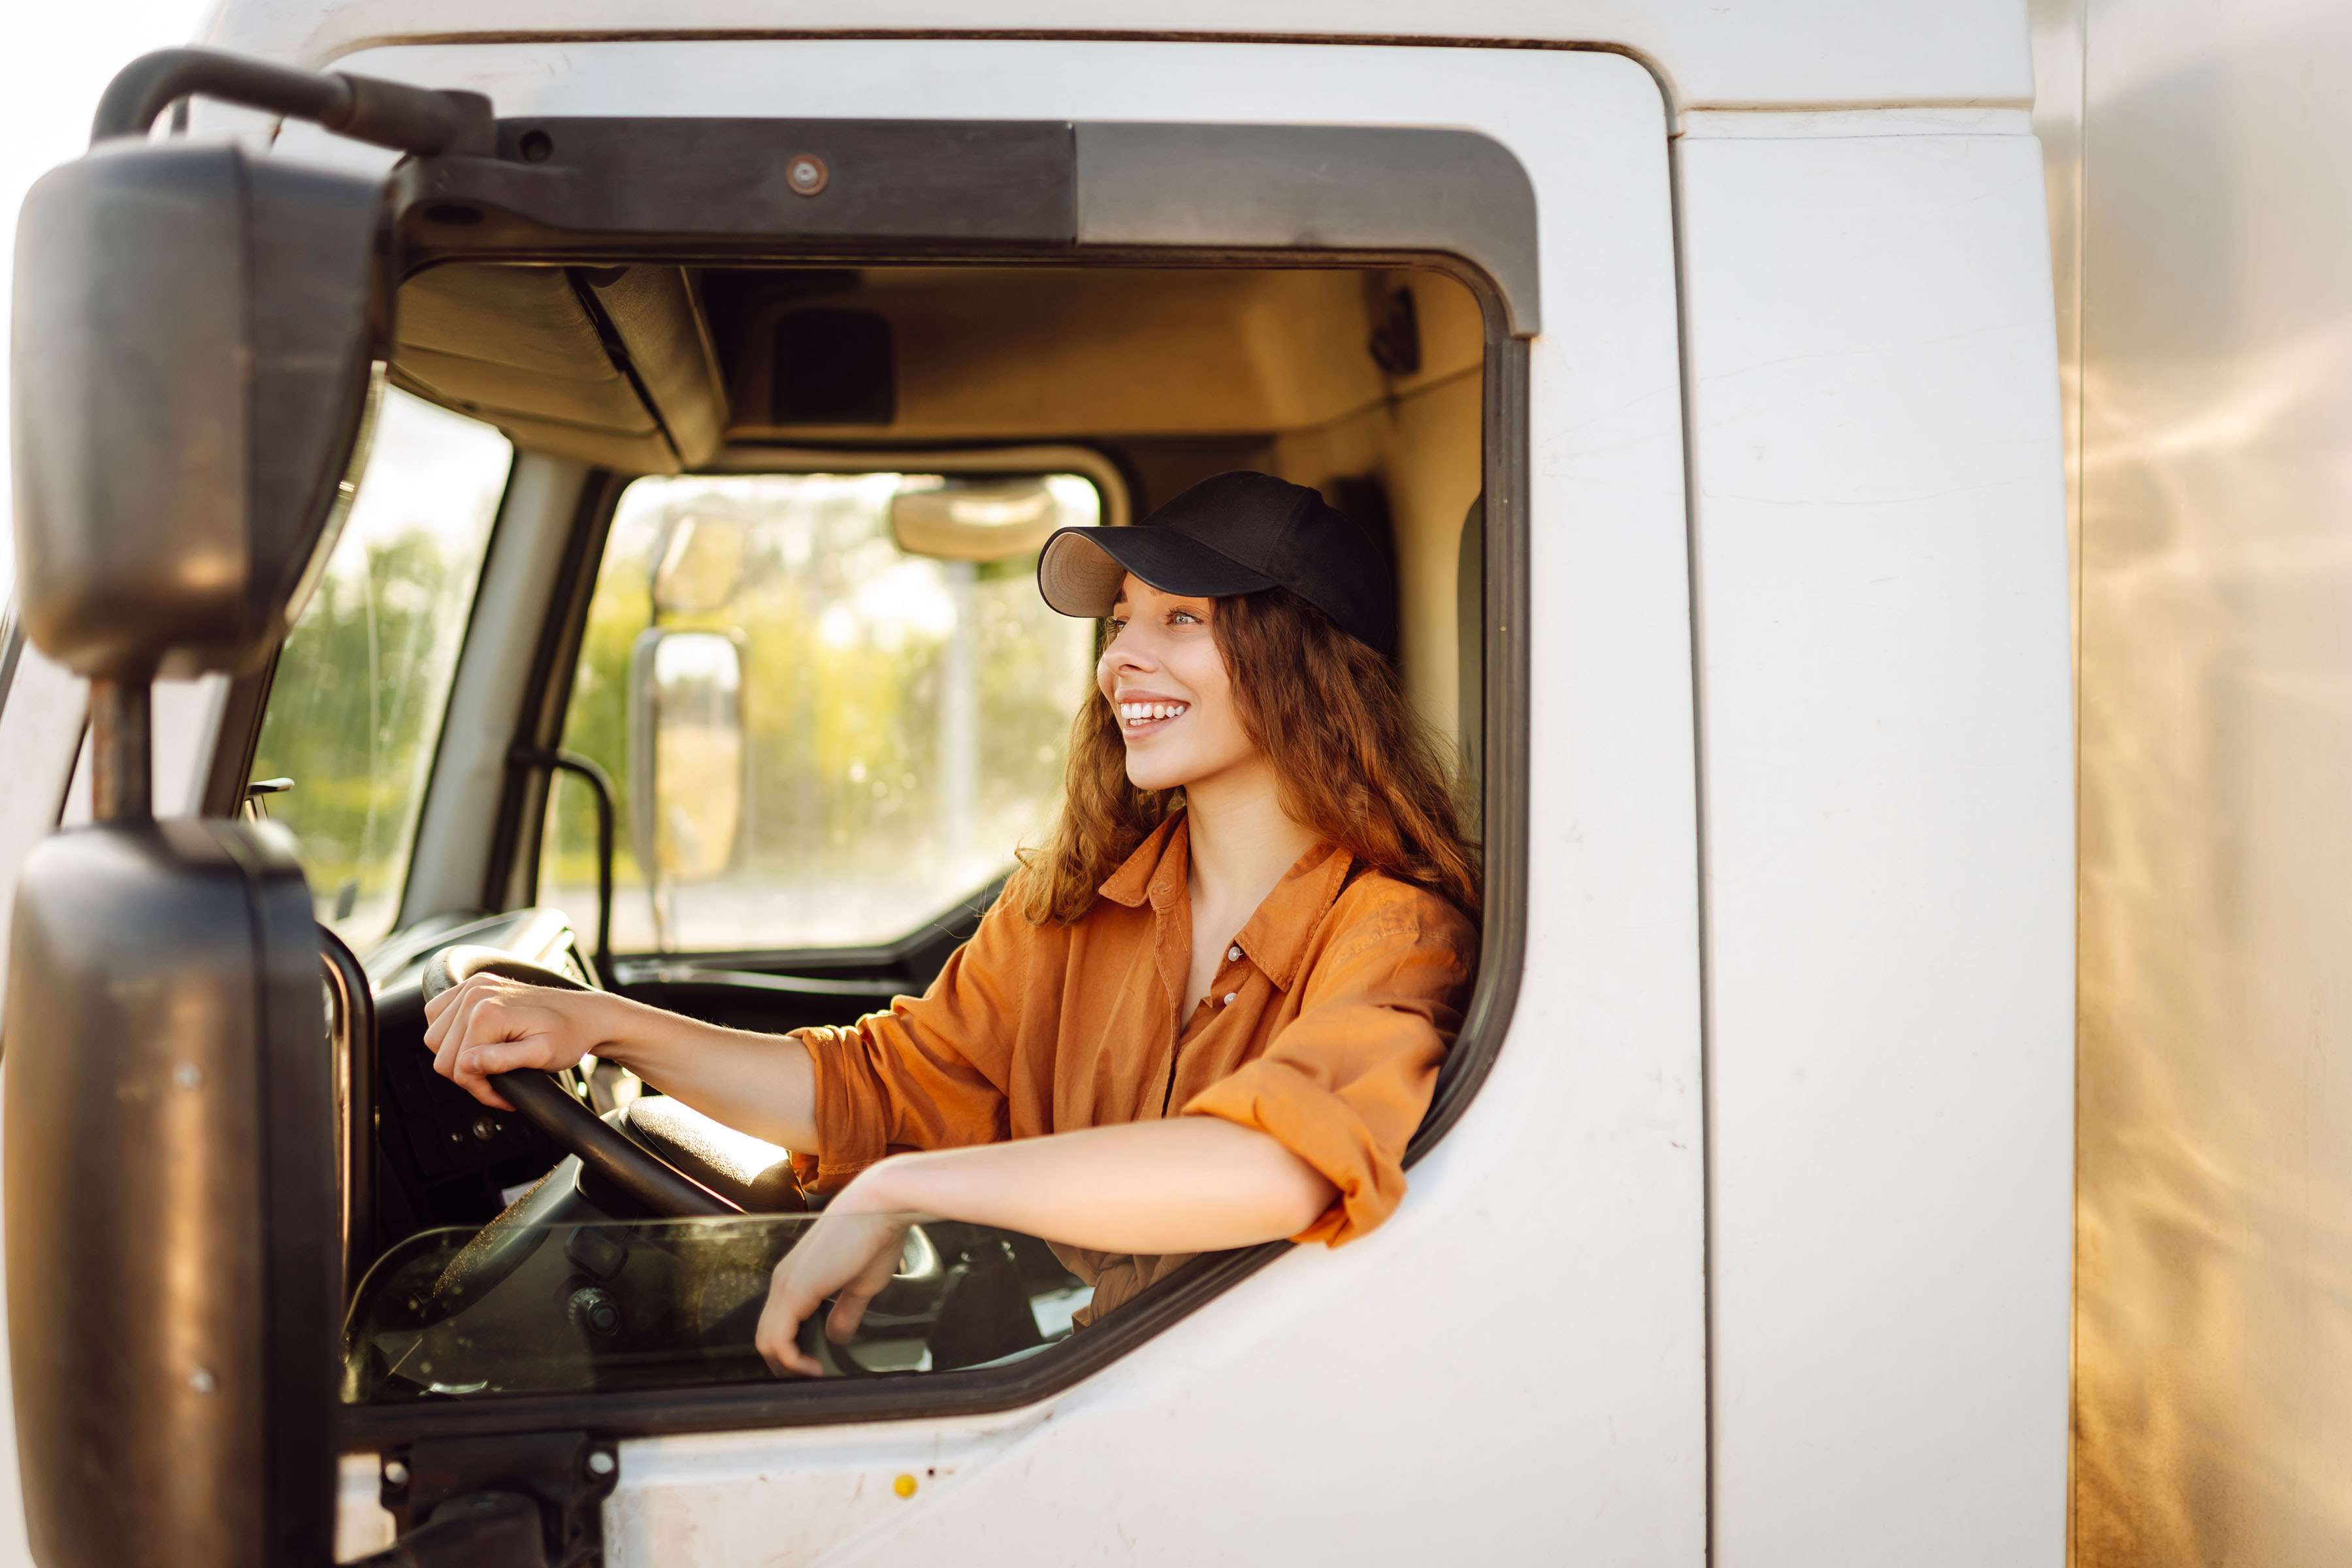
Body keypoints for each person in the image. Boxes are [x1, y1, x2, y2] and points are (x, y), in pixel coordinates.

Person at [421, 470, 1480, 1375]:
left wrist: (905, 1188)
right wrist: (604, 1028)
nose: (1122, 661)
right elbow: (877, 1089)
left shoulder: (1392, 930)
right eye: (1121, 623)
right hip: (1108, 1368)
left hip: (1263, 1383)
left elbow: (1281, 1166)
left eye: (1180, 621)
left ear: (1303, 664)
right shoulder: (1077, 904)